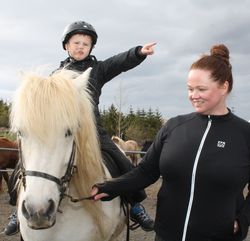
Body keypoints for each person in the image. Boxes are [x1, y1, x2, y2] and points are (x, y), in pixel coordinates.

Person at [4, 20, 155, 235]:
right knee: (22, 167)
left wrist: (138, 53)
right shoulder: (55, 75)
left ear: (91, 48)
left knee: (123, 164)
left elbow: (118, 62)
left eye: (86, 43)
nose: (81, 46)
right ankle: (16, 211)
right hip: (62, 133)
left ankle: (135, 206)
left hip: (93, 133)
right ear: (66, 46)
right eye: (76, 42)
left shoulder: (98, 69)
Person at [91, 44, 250, 241]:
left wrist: (243, 219)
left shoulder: (245, 134)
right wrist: (108, 187)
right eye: (190, 89)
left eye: (201, 89)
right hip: (167, 235)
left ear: (224, 86)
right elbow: (146, 172)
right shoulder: (174, 127)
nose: (194, 95)